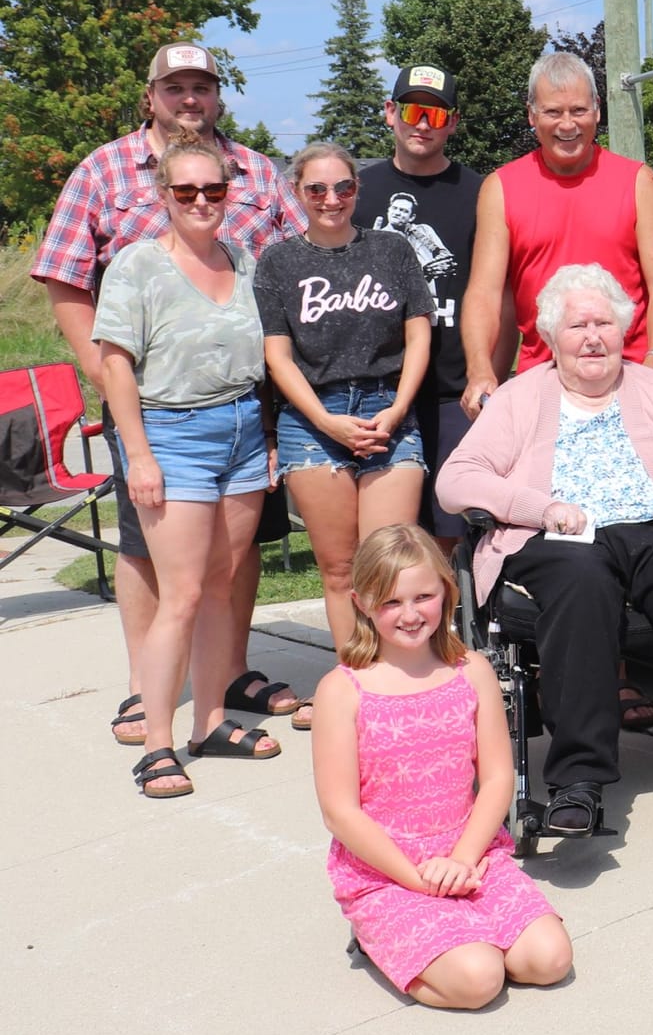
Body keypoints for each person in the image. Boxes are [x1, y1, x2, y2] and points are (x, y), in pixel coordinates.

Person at [437, 263, 653, 836]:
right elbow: (456, 480)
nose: (593, 337)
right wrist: (538, 506)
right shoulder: (522, 397)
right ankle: (579, 778)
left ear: (624, 329)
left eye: (604, 322)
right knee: (581, 580)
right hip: (560, 536)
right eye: (577, 326)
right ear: (551, 336)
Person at [34, 41, 307, 748]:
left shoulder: (255, 171)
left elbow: (298, 258)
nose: (190, 99)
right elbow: (66, 279)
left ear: (218, 96)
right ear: (150, 94)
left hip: (245, 404)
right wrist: (109, 379)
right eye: (175, 86)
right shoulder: (103, 170)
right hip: (152, 401)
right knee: (148, 550)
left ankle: (227, 681)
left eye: (202, 87)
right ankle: (145, 691)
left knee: (233, 556)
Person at [458, 49, 653, 733]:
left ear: (597, 113)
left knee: (628, 528)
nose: (566, 124)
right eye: (552, 112)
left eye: (579, 110)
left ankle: (611, 680)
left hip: (629, 384)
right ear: (532, 117)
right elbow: (486, 292)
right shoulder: (502, 186)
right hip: (540, 390)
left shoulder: (635, 180)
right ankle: (572, 678)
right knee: (563, 538)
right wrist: (479, 372)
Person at [313, 525, 571, 1009]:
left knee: (549, 960)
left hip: (471, 855)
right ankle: (378, 940)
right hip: (388, 871)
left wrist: (462, 860)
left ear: (446, 592)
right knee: (479, 980)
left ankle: (455, 937)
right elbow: (340, 813)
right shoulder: (343, 690)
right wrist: (417, 880)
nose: (410, 615)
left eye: (423, 597)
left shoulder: (471, 670)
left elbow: (496, 777)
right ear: (362, 602)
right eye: (390, 602)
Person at [95, 140, 283, 797]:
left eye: (213, 189)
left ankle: (210, 723)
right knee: (177, 597)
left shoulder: (247, 263)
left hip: (240, 434)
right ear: (162, 195)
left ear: (231, 190)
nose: (202, 201)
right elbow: (115, 364)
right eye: (186, 192)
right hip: (172, 435)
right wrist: (137, 453)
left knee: (220, 583)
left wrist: (265, 433)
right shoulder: (137, 267)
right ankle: (156, 742)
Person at [256, 142, 435, 728]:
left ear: (358, 190)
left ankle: (400, 683)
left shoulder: (391, 249)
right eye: (317, 190)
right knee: (337, 569)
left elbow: (418, 336)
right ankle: (356, 685)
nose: (332, 199)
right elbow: (278, 356)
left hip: (389, 412)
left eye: (344, 188)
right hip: (314, 422)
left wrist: (398, 409)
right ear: (298, 194)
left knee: (389, 566)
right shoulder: (278, 263)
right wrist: (326, 421)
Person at [353, 65, 498, 562]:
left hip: (453, 390)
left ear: (453, 122)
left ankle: (450, 635)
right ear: (391, 113)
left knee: (453, 533)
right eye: (412, 110)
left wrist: (491, 375)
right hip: (375, 391)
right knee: (383, 542)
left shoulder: (483, 193)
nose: (423, 124)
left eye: (435, 114)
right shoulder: (355, 192)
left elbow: (501, 292)